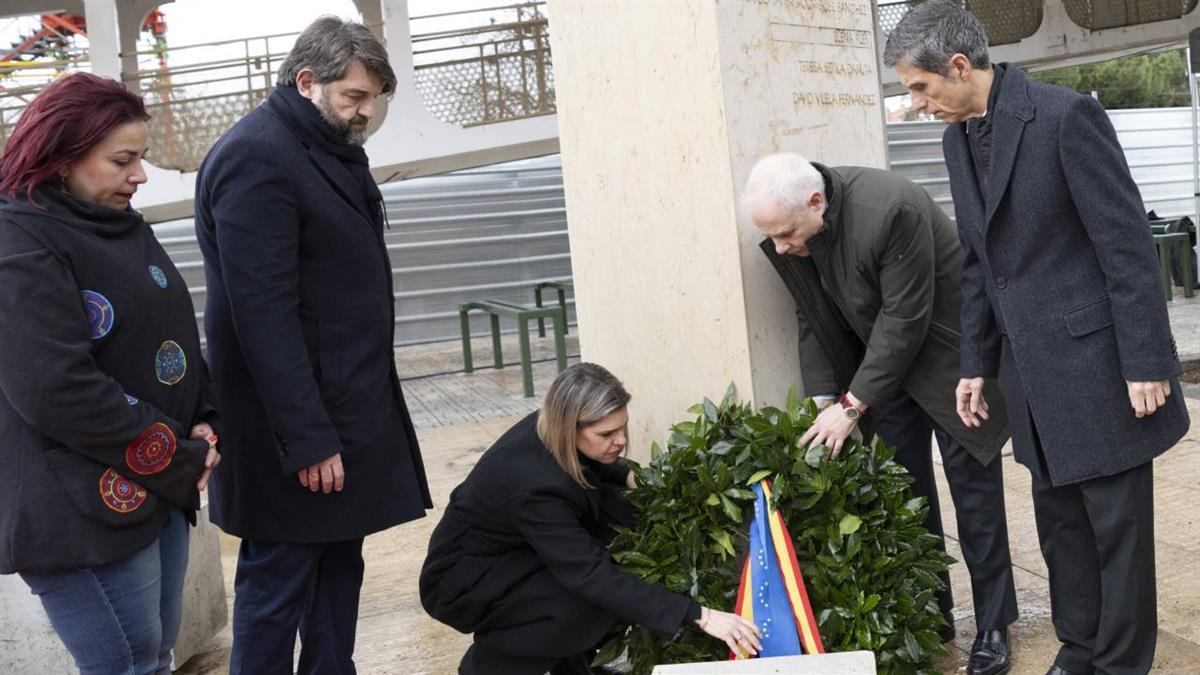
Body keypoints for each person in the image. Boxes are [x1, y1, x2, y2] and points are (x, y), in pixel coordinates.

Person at [884, 3, 1191, 674]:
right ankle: (1079, 647)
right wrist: (974, 363)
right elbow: (977, 262)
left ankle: (1119, 663)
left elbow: (1127, 246)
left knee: (1119, 532)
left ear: (959, 66)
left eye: (919, 87)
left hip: (1101, 365)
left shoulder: (1065, 116)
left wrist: (1145, 359)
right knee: (1059, 527)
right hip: (1029, 376)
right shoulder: (954, 139)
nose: (915, 103)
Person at [194, 17, 431, 674]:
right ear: (307, 81)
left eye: (376, 97)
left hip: (339, 415)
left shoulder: (316, 143)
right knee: (279, 581)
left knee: (336, 572)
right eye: (356, 96)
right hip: (294, 431)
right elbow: (260, 314)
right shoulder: (257, 157)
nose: (368, 111)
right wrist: (308, 437)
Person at [742, 152, 1018, 675]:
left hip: (950, 366)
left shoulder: (891, 209)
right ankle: (931, 613)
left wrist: (851, 404)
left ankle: (993, 625)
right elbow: (814, 319)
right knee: (907, 499)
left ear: (816, 201)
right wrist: (823, 400)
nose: (779, 248)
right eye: (773, 237)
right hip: (884, 378)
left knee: (975, 499)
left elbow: (905, 319)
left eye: (785, 234)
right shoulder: (802, 228)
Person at [0, 72, 220, 674]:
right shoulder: (17, 239)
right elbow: (54, 387)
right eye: (122, 160)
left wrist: (202, 418)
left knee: (155, 657)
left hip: (159, 486)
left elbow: (169, 326)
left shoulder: (117, 222)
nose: (140, 176)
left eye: (141, 158)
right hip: (80, 509)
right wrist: (173, 452)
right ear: (62, 155)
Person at [420, 363, 762, 674]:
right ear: (570, 427)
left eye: (622, 428)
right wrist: (700, 615)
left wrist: (628, 477)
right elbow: (592, 576)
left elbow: (587, 462)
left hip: (515, 549)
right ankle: (492, 664)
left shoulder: (551, 424)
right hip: (465, 580)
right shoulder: (535, 490)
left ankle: (573, 667)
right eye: (607, 435)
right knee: (585, 604)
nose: (622, 441)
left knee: (621, 531)